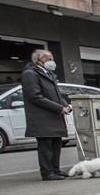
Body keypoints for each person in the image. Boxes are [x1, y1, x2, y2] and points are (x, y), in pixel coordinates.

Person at [21, 49, 72, 180]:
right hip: (42, 117)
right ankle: (47, 172)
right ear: (38, 60)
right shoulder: (30, 74)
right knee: (46, 147)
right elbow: (35, 96)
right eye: (48, 58)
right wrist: (58, 108)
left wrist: (65, 105)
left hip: (54, 116)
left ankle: (55, 169)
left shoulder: (49, 74)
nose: (52, 61)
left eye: (52, 58)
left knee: (56, 144)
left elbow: (56, 94)